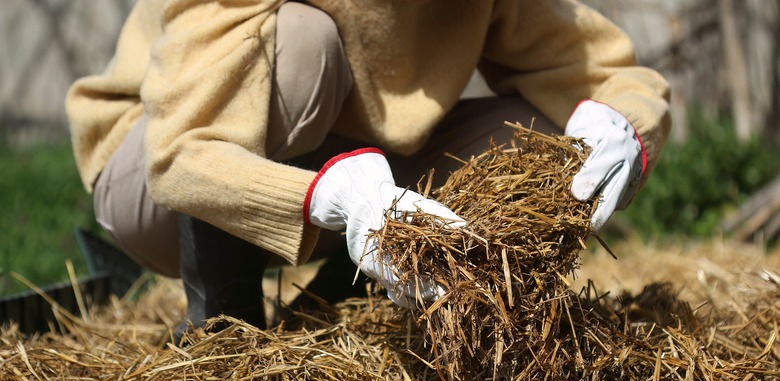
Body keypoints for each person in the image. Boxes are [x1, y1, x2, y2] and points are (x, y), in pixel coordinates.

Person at [65, 0, 671, 335]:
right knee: (301, 46)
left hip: (338, 163)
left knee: (540, 137)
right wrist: (331, 195)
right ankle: (223, 319)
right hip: (155, 178)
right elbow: (178, 156)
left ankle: (342, 303)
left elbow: (602, 69)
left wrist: (626, 123)